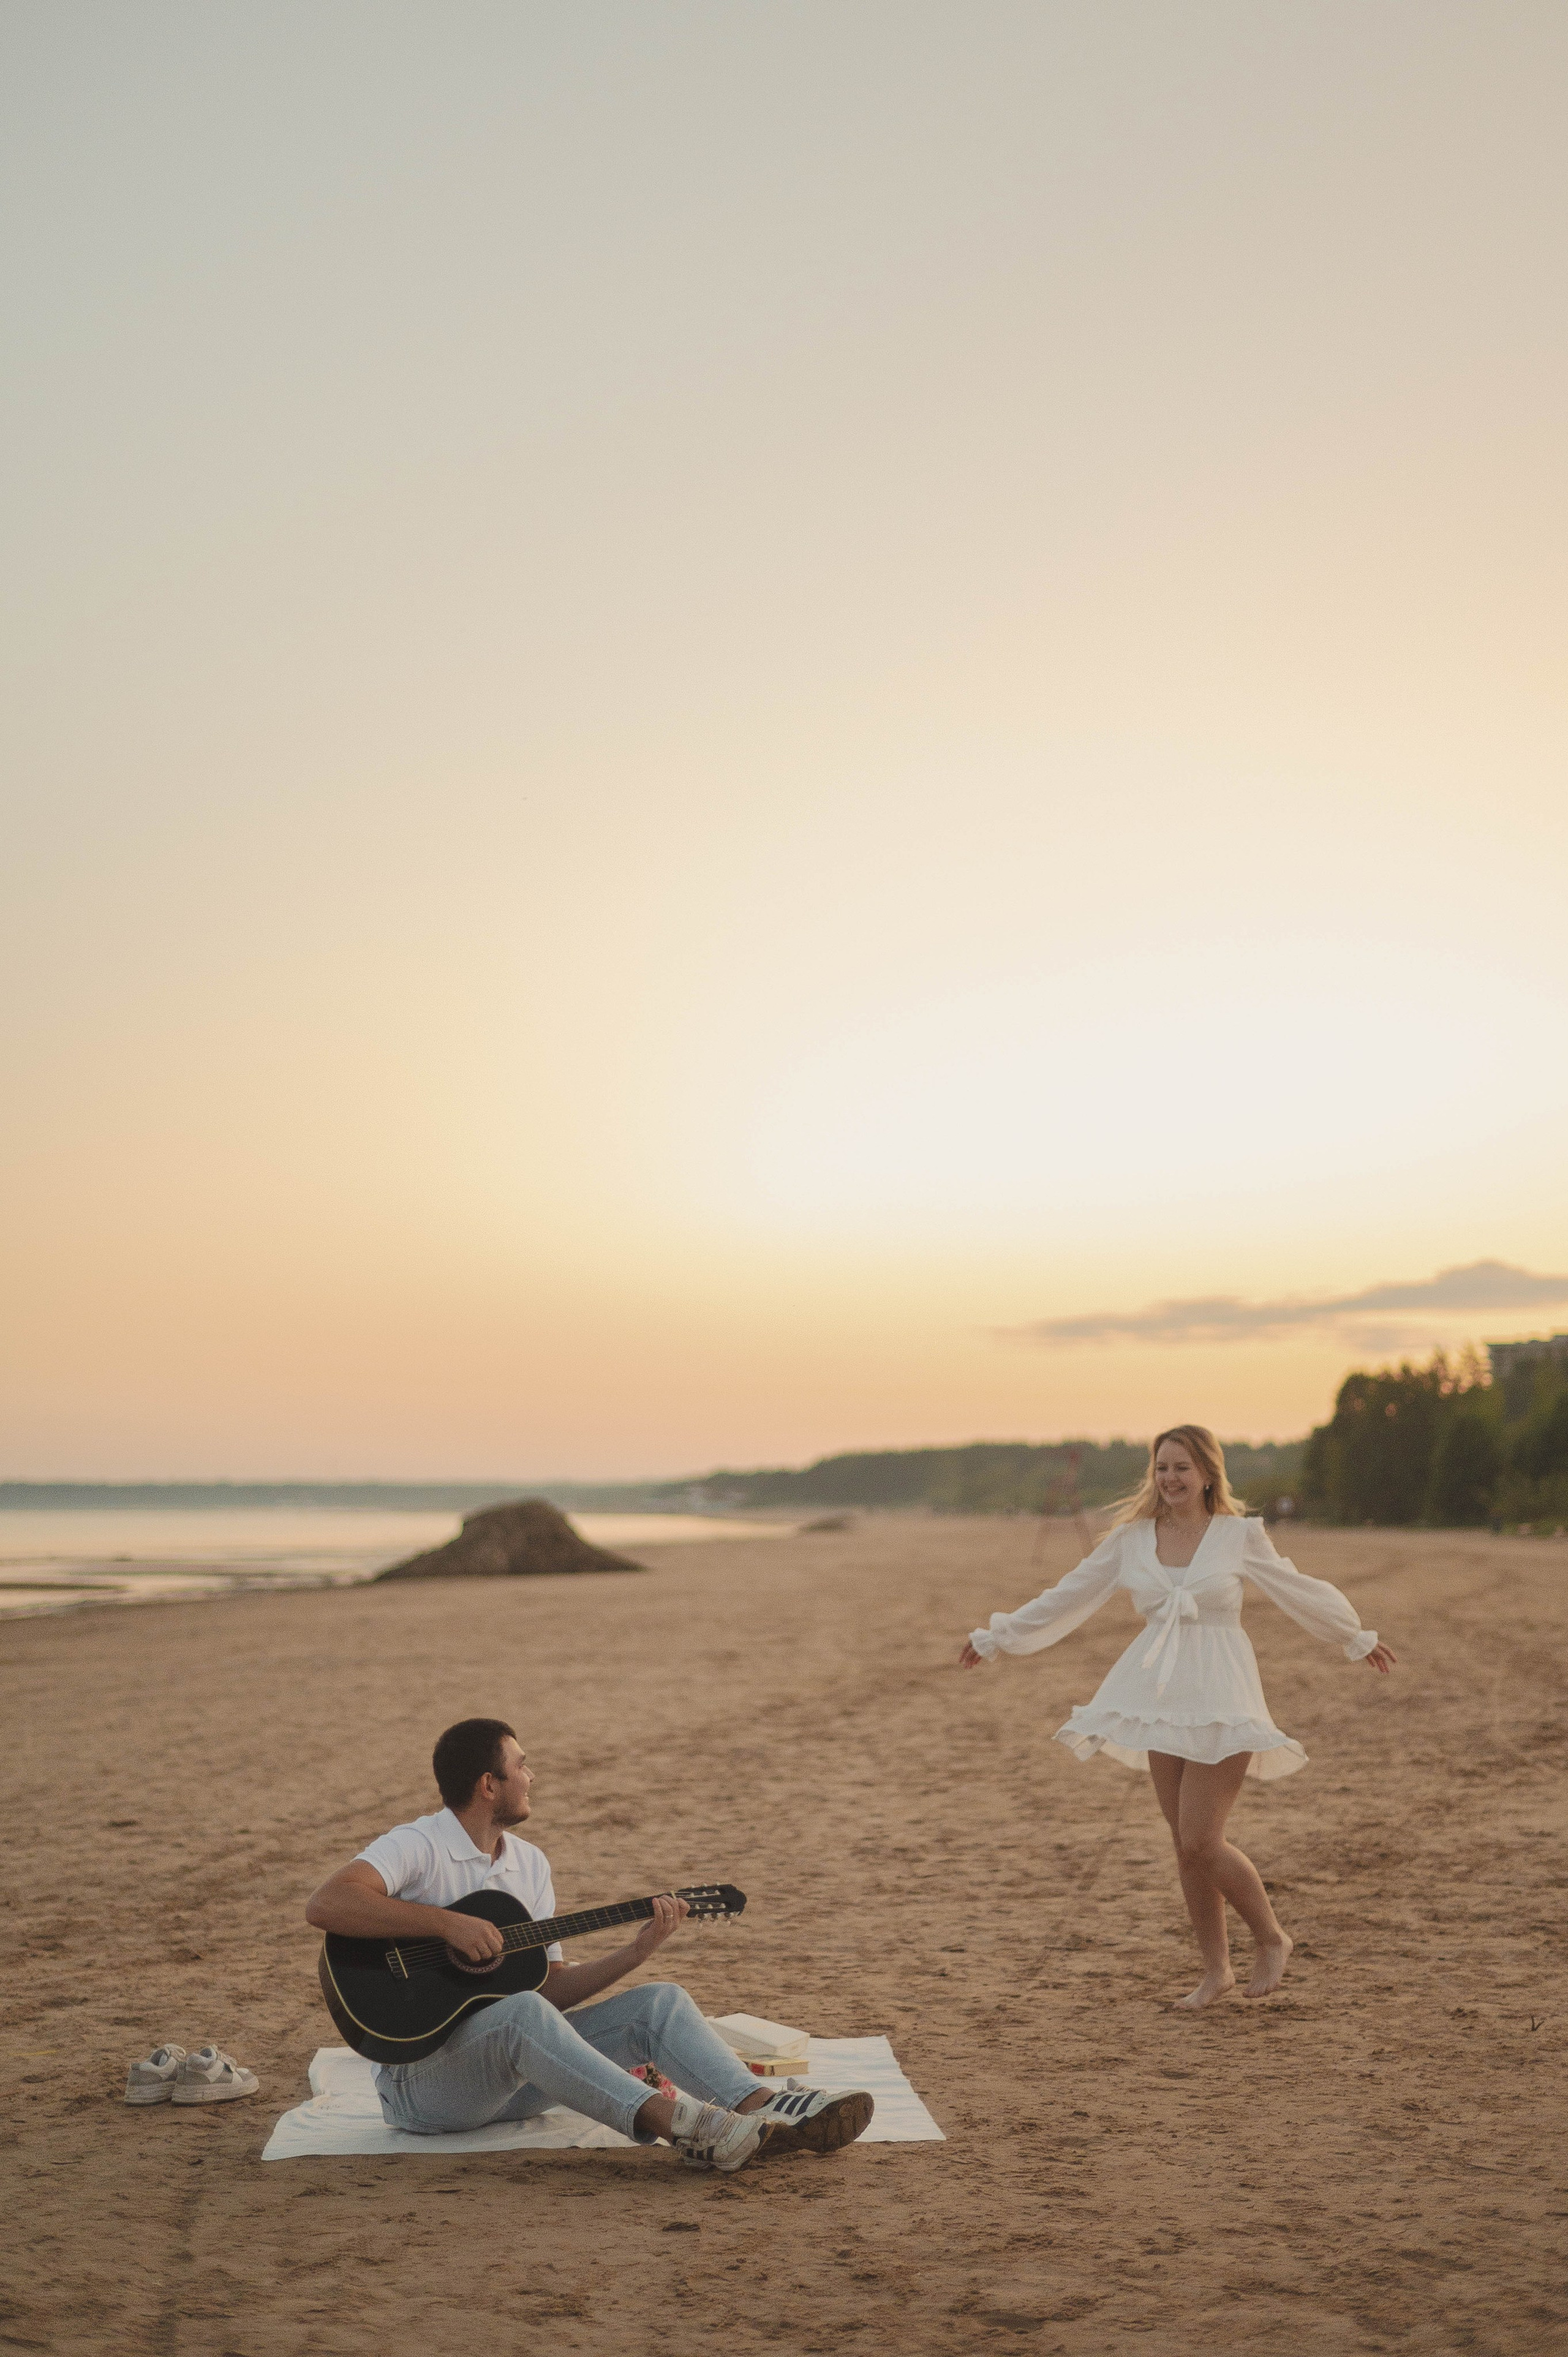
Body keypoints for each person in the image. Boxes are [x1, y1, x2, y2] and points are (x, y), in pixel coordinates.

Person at [305, 1718, 873, 2169]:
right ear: (488, 1784)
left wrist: (636, 1951)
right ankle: (684, 2127)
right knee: (517, 2012)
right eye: (522, 1766)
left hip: (511, 2083)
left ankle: (764, 2106)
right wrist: (446, 1925)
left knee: (661, 2000)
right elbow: (327, 1904)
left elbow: (548, 1991)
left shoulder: (529, 1865)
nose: (533, 1777)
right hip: (422, 2089)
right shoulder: (419, 1845)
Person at [958, 1425, 1395, 2008]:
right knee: (1184, 1845)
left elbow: (1297, 1587)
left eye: (1182, 1468)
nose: (1170, 1479)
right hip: (1157, 1692)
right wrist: (998, 1636)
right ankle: (1216, 1972)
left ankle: (1271, 1938)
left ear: (1208, 1473)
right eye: (1162, 1468)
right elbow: (1070, 1593)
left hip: (1222, 1691)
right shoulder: (1132, 1540)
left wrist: (1352, 1636)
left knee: (1201, 1839)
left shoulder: (1237, 1536)